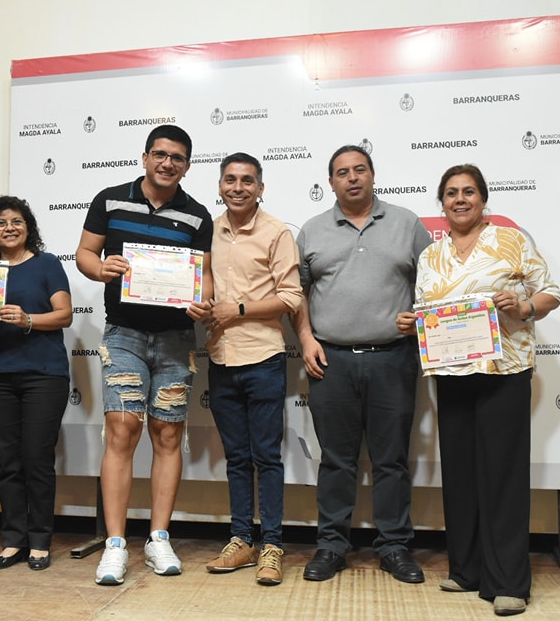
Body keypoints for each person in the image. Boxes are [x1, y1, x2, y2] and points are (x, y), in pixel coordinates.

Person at [403, 164, 560, 616]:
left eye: (468, 192)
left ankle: (509, 581)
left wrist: (525, 304)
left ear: (483, 198)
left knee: (503, 476)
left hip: (504, 371)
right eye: (451, 193)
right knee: (460, 472)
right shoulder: (431, 256)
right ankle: (466, 570)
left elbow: (549, 292)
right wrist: (411, 322)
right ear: (442, 202)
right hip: (451, 374)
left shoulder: (510, 240)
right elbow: (427, 312)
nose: (459, 199)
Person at [76, 124, 213, 585]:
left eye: (177, 157)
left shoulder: (197, 216)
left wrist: (203, 301)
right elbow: (84, 254)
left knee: (168, 435)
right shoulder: (110, 199)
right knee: (121, 430)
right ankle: (115, 545)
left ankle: (158, 538)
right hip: (125, 334)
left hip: (177, 337)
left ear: (187, 165)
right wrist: (102, 269)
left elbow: (205, 277)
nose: (167, 163)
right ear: (145, 156)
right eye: (160, 154)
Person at [293, 145, 431, 583]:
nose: (352, 178)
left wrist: (422, 320)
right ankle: (332, 546)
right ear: (330, 182)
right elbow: (294, 295)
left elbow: (435, 284)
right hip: (330, 362)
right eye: (341, 173)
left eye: (359, 170)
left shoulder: (407, 224)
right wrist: (305, 338)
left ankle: (394, 547)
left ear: (373, 175)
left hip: (393, 359)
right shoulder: (312, 231)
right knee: (336, 460)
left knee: (391, 460)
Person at [190, 153, 303, 586]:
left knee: (266, 458)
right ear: (219, 186)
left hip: (264, 357)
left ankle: (272, 544)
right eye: (231, 180)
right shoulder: (208, 230)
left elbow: (290, 297)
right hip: (220, 357)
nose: (238, 187)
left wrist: (236, 309)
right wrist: (199, 302)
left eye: (248, 181)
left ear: (261, 188)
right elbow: (203, 283)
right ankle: (241, 539)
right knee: (236, 458)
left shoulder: (277, 232)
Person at [0, 196, 72, 571]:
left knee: (37, 459)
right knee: (7, 462)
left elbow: (64, 315)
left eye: (17, 221)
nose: (10, 227)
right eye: (1, 222)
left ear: (28, 226)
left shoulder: (47, 264)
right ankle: (12, 540)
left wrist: (28, 319)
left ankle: (40, 541)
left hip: (43, 375)